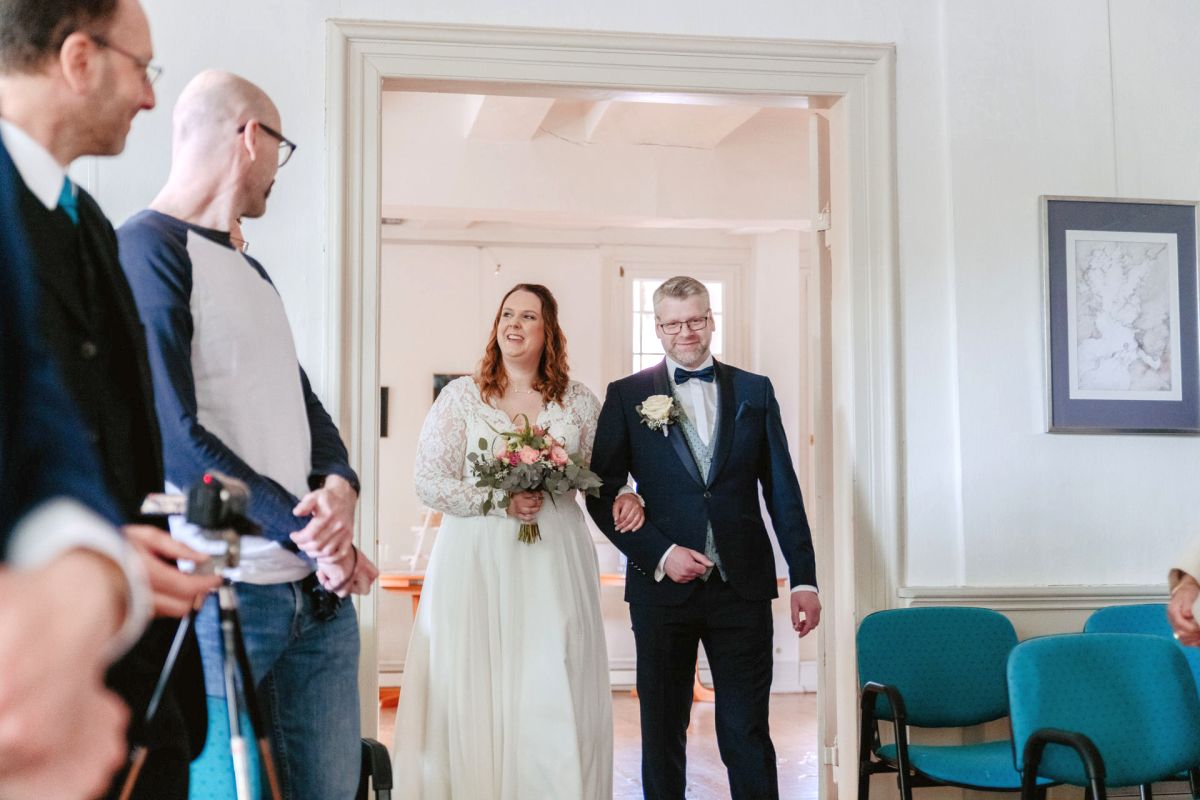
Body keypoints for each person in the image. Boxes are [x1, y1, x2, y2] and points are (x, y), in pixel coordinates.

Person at [118, 69, 378, 799]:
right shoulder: (146, 252)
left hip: (319, 608)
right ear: (250, 138)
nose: (275, 172)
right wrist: (310, 535)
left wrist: (339, 487)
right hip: (223, 600)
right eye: (280, 148)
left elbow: (306, 410)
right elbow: (173, 436)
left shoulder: (251, 269)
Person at [0, 1, 222, 796]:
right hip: (28, 690)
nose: (150, 98)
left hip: (130, 673)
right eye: (144, 68)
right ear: (79, 59)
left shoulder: (89, 221)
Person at [393, 283, 645, 799]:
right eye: (507, 314)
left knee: (552, 666)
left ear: (547, 330)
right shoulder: (462, 397)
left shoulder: (576, 401)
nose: (514, 323)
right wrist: (498, 500)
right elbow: (428, 480)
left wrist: (629, 496)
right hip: (475, 557)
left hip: (553, 553)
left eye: (528, 316)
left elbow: (604, 474)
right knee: (476, 677)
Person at [586, 275, 821, 800]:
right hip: (661, 591)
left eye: (695, 320)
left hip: (743, 588)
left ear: (711, 320)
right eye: (673, 323)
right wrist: (661, 554)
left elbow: (783, 491)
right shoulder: (628, 395)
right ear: (658, 327)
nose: (685, 332)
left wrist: (804, 577)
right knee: (662, 731)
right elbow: (600, 490)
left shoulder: (754, 391)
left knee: (745, 732)